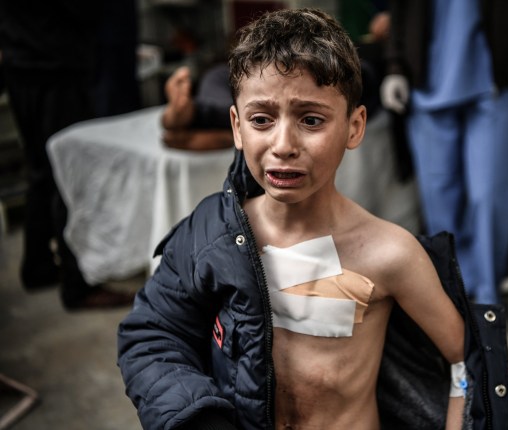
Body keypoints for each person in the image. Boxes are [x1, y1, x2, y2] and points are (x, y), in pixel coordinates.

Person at [117, 9, 479, 429]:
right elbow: (153, 332)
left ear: (354, 127)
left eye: (311, 119)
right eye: (261, 120)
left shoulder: (390, 253)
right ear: (237, 128)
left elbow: (466, 361)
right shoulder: (213, 232)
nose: (283, 144)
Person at [380, 0, 508, 304]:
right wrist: (395, 67)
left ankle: (486, 297)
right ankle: (453, 295)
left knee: (490, 197)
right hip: (427, 84)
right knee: (439, 197)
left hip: (493, 84)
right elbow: (401, 11)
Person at [0, 1, 135, 309]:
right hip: (55, 64)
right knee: (69, 174)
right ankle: (79, 285)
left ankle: (37, 266)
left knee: (42, 169)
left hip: (21, 61)